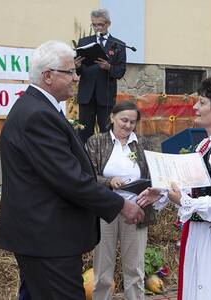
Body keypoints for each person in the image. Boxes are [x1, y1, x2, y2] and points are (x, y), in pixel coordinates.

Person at [0, 40, 144, 300]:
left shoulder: (38, 109)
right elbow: (69, 178)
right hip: (48, 240)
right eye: (70, 72)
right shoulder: (38, 116)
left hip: (41, 237)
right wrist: (120, 205)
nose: (76, 78)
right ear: (48, 76)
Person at [138, 76, 211, 300]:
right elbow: (197, 187)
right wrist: (163, 191)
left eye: (202, 102)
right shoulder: (206, 143)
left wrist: (184, 202)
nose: (195, 107)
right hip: (200, 232)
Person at [86, 101, 166, 300]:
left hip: (136, 210)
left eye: (132, 122)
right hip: (106, 210)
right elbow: (85, 176)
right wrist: (109, 181)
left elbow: (157, 174)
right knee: (103, 269)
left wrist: (151, 189)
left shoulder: (144, 144)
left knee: (135, 269)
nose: (128, 125)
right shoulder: (96, 142)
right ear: (112, 117)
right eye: (124, 120)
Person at [75, 8, 127, 143]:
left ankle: (106, 160)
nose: (97, 28)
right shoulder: (84, 42)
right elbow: (78, 71)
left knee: (106, 133)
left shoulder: (118, 45)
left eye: (100, 25)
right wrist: (77, 66)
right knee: (84, 132)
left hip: (106, 96)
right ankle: (84, 160)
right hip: (86, 94)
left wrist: (109, 67)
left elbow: (120, 71)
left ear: (108, 24)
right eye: (94, 25)